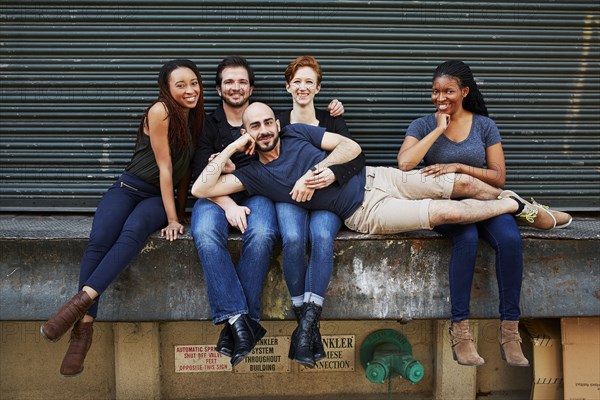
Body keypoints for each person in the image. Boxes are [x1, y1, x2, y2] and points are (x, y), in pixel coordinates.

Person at [191, 102, 564, 364]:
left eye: (268, 122)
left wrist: (326, 170)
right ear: (248, 133)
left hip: (377, 177)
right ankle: (514, 206)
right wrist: (234, 146)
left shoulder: (297, 133)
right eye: (255, 127)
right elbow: (201, 189)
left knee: (460, 182)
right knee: (446, 212)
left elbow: (351, 147)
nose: (266, 130)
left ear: (277, 122)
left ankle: (523, 205)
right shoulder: (253, 173)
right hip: (367, 212)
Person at [397, 60, 572, 368]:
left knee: (509, 239)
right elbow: (405, 164)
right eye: (435, 91)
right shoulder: (423, 125)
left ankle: (509, 331)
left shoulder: (484, 126)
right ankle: (461, 332)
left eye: (448, 91)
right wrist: (439, 129)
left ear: (464, 91)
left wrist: (460, 167)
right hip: (449, 206)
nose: (441, 98)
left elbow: (498, 176)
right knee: (465, 239)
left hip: (486, 202)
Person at [41, 59, 204, 376]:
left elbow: (182, 175)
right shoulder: (160, 111)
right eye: (181, 84)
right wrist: (174, 218)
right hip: (128, 187)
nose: (190, 89)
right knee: (99, 240)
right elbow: (165, 167)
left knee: (132, 233)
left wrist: (176, 215)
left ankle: (75, 308)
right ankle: (83, 330)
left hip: (158, 199)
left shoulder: (198, 121)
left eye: (194, 82)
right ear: (167, 90)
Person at [189, 56, 346, 367]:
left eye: (242, 81)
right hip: (217, 198)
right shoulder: (209, 124)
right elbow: (201, 178)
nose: (236, 87)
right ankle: (239, 319)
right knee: (206, 233)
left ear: (251, 87)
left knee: (262, 233)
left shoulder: (268, 119)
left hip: (258, 195)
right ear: (219, 89)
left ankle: (239, 327)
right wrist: (228, 203)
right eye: (229, 82)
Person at [277, 56, 365, 367]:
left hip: (328, 201)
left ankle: (305, 329)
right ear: (288, 86)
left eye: (308, 82)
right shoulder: (277, 123)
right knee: (291, 238)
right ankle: (308, 328)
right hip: (290, 198)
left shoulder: (332, 121)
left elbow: (355, 160)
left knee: (322, 236)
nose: (303, 87)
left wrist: (330, 175)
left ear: (318, 87)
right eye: (297, 81)